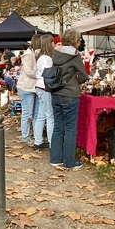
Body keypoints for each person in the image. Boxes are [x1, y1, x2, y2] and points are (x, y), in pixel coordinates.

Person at [50, 29, 89, 170]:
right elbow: (84, 76)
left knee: (58, 127)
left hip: (55, 92)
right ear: (75, 41)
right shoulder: (74, 55)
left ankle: (55, 158)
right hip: (70, 93)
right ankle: (68, 162)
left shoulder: (56, 53)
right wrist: (76, 78)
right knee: (70, 129)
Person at [17, 35, 40, 146]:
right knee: (27, 114)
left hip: (34, 88)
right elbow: (29, 71)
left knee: (36, 114)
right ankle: (25, 137)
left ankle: (36, 136)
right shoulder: (28, 55)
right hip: (26, 87)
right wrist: (41, 75)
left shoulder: (35, 54)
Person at [33, 33, 55, 150]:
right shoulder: (46, 58)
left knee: (42, 115)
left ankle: (38, 141)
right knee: (50, 116)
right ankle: (52, 143)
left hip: (40, 87)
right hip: (45, 88)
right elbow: (50, 74)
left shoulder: (41, 57)